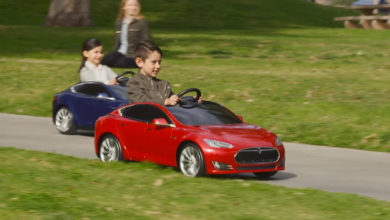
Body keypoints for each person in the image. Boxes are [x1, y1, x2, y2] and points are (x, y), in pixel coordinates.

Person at [126, 41, 179, 106]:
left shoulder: (164, 85)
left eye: (159, 62)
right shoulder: (134, 83)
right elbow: (141, 102)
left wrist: (185, 99)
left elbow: (174, 101)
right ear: (139, 62)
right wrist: (165, 102)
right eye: (153, 62)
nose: (158, 66)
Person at [101, 0, 151, 68]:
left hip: (133, 55)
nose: (133, 7)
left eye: (135, 5)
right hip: (120, 52)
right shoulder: (119, 22)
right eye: (130, 5)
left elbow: (146, 41)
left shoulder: (142, 22)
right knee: (106, 60)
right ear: (124, 7)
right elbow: (117, 41)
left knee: (121, 63)